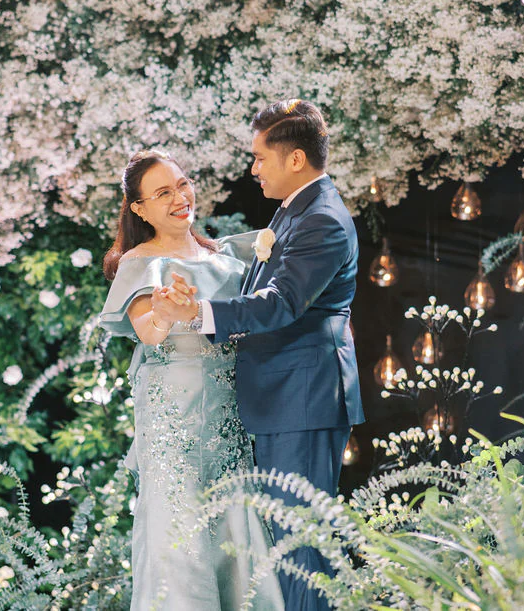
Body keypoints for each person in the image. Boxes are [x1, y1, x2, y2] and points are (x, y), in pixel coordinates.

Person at [153, 99, 365, 611]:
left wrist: (198, 315)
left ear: (295, 160)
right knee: (289, 542)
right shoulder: (296, 210)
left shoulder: (323, 220)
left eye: (259, 158)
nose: (253, 169)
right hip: (284, 396)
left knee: (301, 545)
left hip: (304, 396)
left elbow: (282, 304)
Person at [99, 149, 283, 611]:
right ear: (138, 209)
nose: (181, 197)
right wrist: (162, 311)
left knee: (233, 522)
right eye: (163, 193)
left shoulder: (224, 258)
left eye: (182, 184)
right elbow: (146, 330)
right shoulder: (140, 262)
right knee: (179, 531)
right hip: (172, 421)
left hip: (228, 413)